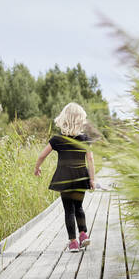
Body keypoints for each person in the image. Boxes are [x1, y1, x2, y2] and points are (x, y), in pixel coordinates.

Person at [34, 102, 96, 252]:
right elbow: (90, 159)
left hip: (64, 177)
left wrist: (37, 167)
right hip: (81, 176)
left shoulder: (57, 139)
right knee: (79, 207)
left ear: (63, 119)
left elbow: (42, 155)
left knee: (69, 210)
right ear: (81, 119)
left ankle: (73, 242)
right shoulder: (85, 139)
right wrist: (92, 179)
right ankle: (83, 234)